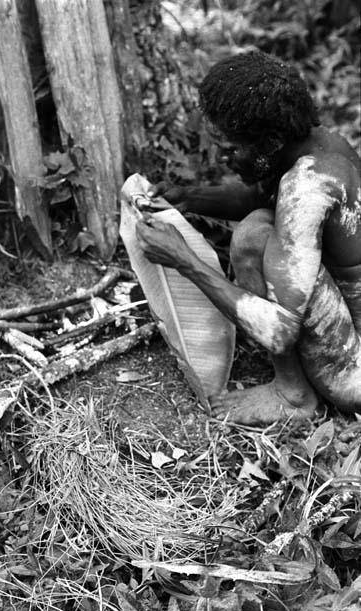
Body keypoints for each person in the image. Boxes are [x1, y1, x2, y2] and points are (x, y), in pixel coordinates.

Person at [136, 50, 361, 425]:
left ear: (270, 142)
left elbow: (278, 331)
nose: (224, 159)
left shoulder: (306, 187)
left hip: (354, 374)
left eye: (231, 149)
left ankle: (293, 396)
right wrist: (189, 197)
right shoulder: (319, 145)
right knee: (261, 218)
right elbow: (260, 194)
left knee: (254, 236)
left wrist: (183, 260)